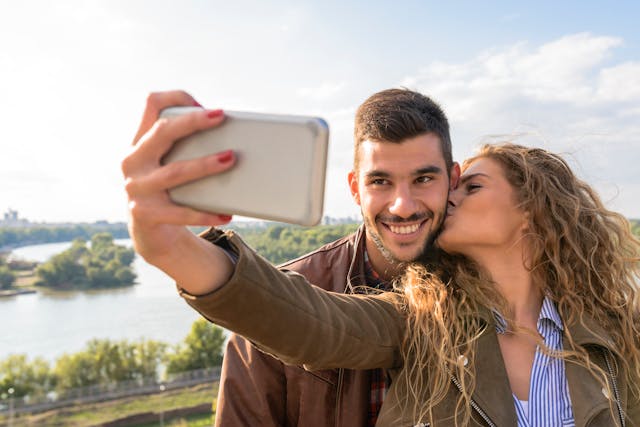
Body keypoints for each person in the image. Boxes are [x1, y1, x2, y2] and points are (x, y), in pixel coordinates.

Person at [124, 134, 640, 424]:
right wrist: (172, 246)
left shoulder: (615, 330)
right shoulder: (419, 320)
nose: (446, 197)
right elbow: (308, 321)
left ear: (532, 211)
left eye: (472, 186)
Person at [122, 88, 460, 426]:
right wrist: (171, 248)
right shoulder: (271, 307)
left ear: (453, 181)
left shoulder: (488, 290)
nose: (402, 206)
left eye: (424, 178)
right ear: (355, 189)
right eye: (380, 181)